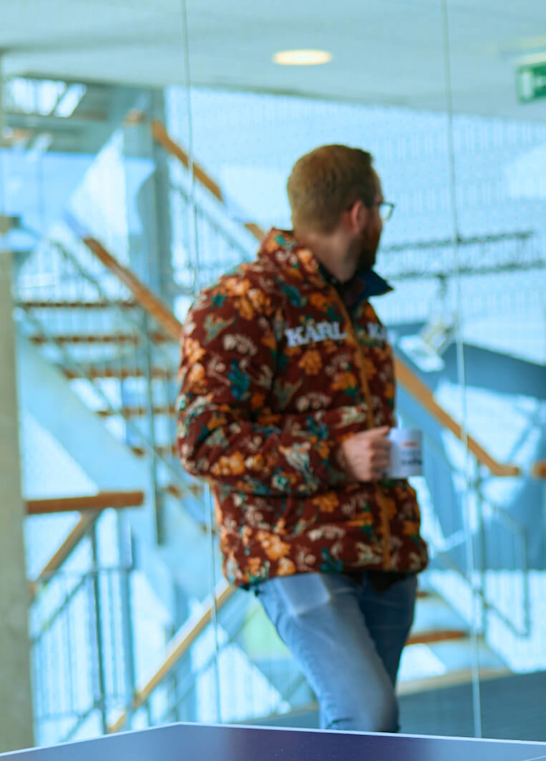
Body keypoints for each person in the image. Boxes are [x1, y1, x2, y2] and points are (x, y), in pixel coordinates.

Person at [174, 144, 422, 732]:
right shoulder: (239, 301)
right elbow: (203, 442)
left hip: (382, 554)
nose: (381, 223)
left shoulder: (359, 305)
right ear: (359, 214)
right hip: (294, 553)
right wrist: (335, 457)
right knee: (368, 715)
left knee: (370, 736)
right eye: (381, 210)